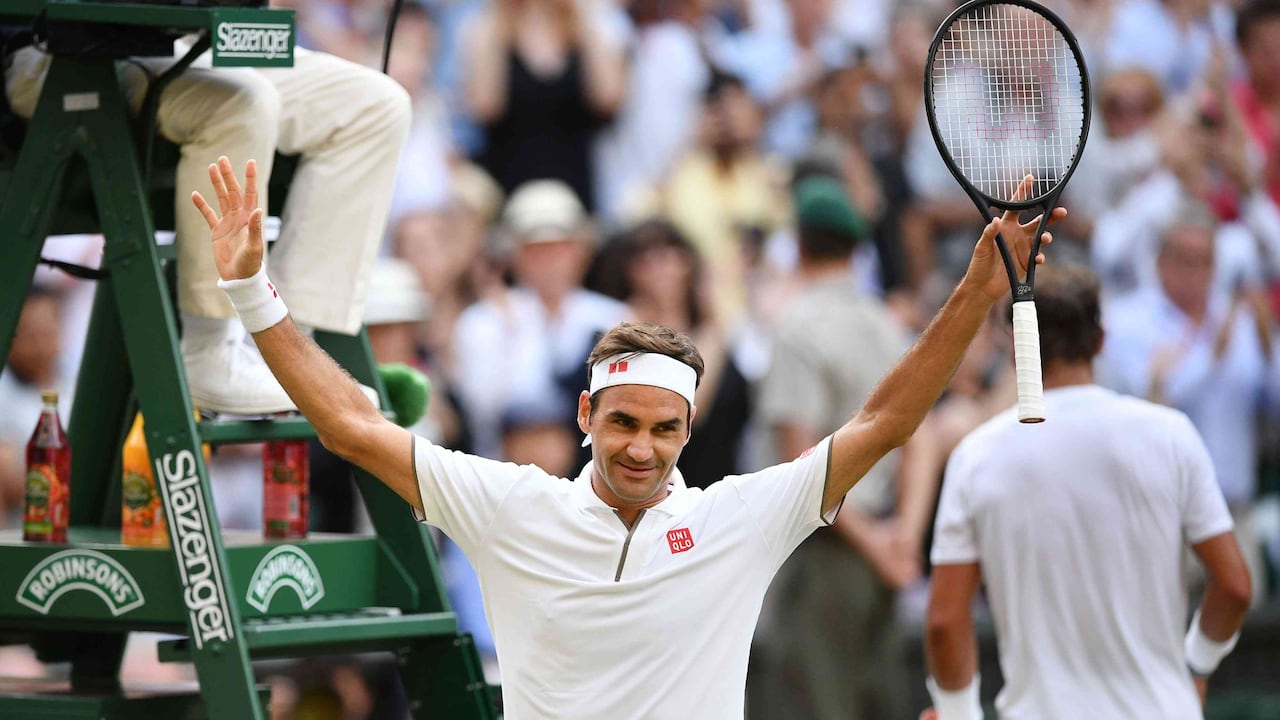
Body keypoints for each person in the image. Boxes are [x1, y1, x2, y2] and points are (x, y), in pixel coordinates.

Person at [191, 156, 1059, 719]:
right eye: (623, 423)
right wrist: (250, 292)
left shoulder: (738, 516)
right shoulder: (509, 504)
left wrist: (977, 294)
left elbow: (885, 423)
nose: (642, 447)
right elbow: (350, 426)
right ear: (585, 419)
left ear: (688, 429)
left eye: (664, 429)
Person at [4, 37, 409, 415]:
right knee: (242, 102)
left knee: (377, 105)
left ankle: (289, 351)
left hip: (185, 41)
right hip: (54, 49)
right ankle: (208, 348)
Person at [922, 265, 1252, 720]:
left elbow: (944, 620)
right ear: (1100, 340)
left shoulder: (975, 456)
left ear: (1016, 348)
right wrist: (1196, 665)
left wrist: (958, 714)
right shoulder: (1171, 435)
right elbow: (1234, 586)